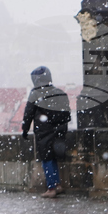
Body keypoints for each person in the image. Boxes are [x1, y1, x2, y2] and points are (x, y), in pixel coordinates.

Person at [22, 66, 72, 199]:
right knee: (54, 157)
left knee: (47, 159)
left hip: (44, 132)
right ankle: (57, 185)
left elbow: (28, 113)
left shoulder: (35, 93)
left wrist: (25, 129)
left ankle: (51, 188)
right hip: (59, 131)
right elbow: (67, 114)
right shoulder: (59, 92)